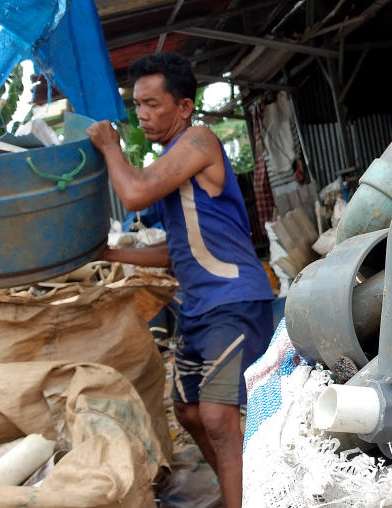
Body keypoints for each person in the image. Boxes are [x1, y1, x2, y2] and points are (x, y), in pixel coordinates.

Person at [86, 52, 275, 508]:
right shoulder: (171, 161)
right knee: (189, 413)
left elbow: (132, 194)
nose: (143, 115)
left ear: (185, 106)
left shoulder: (199, 141)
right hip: (197, 307)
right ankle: (249, 487)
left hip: (233, 298)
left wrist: (110, 147)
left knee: (216, 416)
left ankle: (246, 499)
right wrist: (111, 253)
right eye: (137, 106)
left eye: (153, 104)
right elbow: (176, 250)